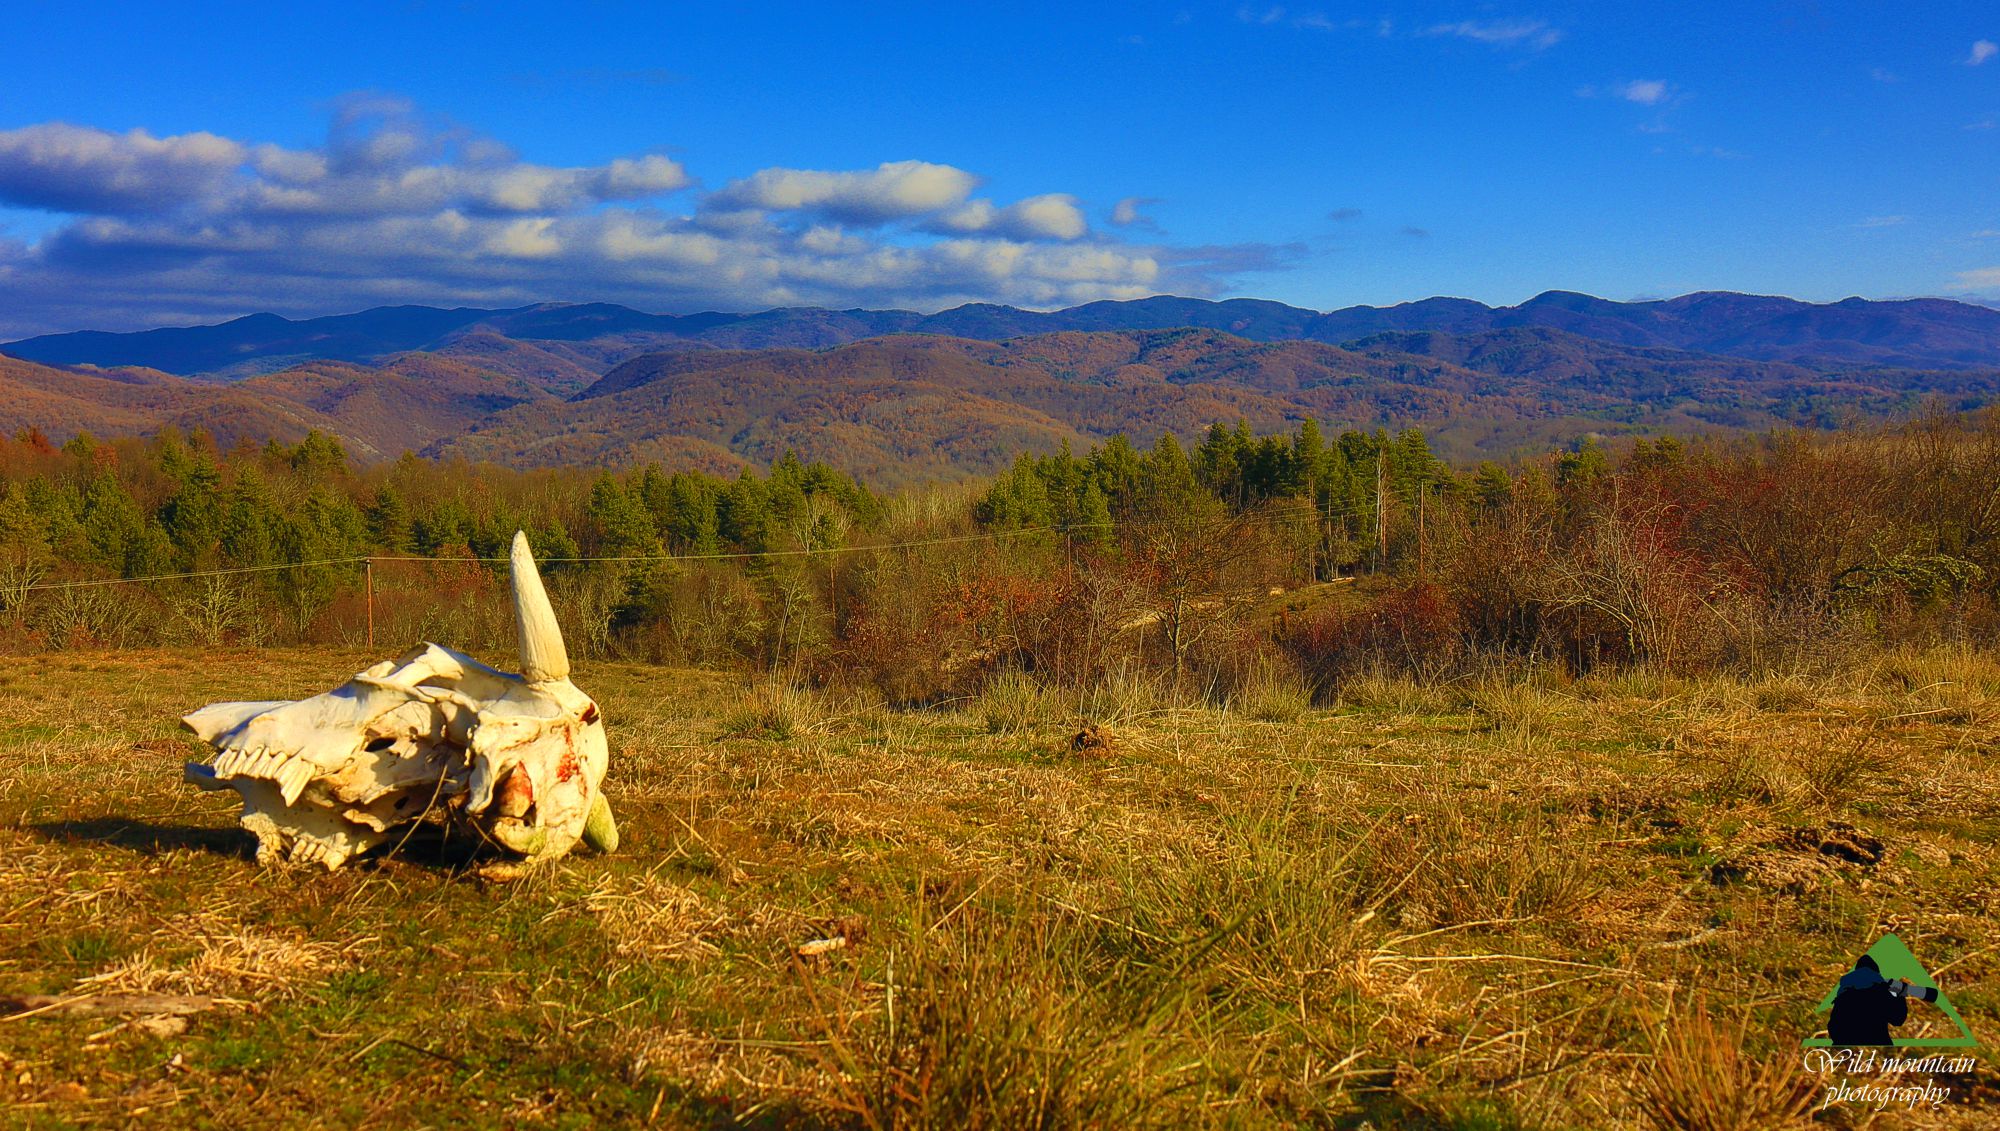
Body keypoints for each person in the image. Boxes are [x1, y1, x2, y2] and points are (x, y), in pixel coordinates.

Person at [1827, 954, 1907, 1045]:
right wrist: (1900, 995)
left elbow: (1833, 1026)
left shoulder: (1844, 993)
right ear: (1877, 974)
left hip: (1846, 1047)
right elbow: (1898, 1019)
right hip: (1876, 1044)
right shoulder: (1881, 992)